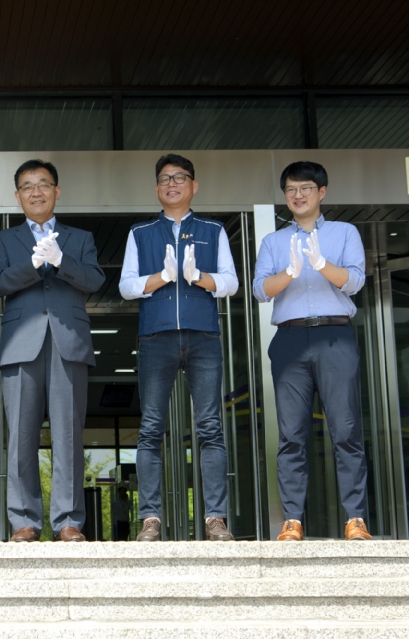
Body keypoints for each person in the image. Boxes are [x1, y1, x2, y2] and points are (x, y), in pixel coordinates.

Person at [118, 154, 239, 542]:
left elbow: (231, 283)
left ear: (193, 185)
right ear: (157, 189)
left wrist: (198, 277)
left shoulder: (213, 229)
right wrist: (162, 277)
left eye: (180, 177)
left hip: (203, 335)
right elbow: (126, 286)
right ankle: (150, 519)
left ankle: (215, 518)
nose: (172, 184)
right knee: (151, 428)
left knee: (210, 428)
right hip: (156, 337)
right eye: (165, 179)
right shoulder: (140, 232)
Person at [0, 159, 105, 542]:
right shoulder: (4, 240)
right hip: (22, 344)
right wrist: (34, 264)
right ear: (17, 195)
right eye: (27, 186)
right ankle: (24, 521)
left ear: (57, 190)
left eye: (43, 184)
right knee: (21, 435)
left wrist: (61, 261)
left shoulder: (79, 237)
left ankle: (68, 521)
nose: (36, 192)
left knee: (68, 434)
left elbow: (94, 279)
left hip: (68, 341)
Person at [252, 161, 371, 542]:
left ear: (322, 192)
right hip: (289, 339)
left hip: (335, 336)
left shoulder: (344, 232)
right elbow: (260, 290)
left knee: (346, 429)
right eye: (290, 189)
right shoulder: (273, 241)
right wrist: (290, 272)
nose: (297, 195)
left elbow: (354, 281)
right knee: (291, 434)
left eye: (305, 188)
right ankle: (292, 520)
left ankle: (355, 519)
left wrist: (321, 265)